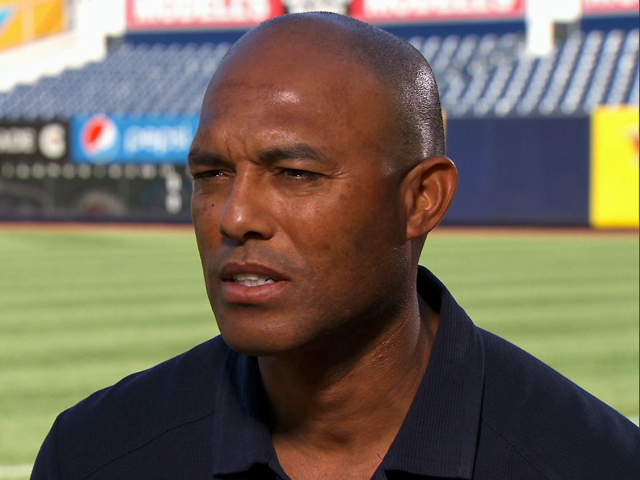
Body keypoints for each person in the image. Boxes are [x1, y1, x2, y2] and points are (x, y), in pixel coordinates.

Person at [32, 12, 638, 480]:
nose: (236, 215)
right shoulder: (94, 453)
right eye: (212, 174)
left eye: (295, 173)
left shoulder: (594, 461)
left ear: (421, 200)